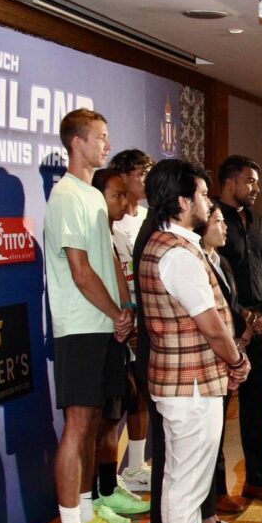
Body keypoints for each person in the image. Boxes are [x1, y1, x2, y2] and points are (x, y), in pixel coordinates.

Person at [140, 159, 249, 523]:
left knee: (179, 483)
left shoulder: (166, 244)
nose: (208, 201)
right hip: (192, 386)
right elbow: (211, 326)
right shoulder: (179, 255)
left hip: (182, 383)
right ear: (183, 202)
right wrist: (237, 360)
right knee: (187, 487)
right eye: (203, 195)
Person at [44, 109, 134, 523]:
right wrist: (116, 313)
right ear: (77, 143)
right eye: (100, 137)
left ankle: (85, 513)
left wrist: (125, 310)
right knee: (77, 426)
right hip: (80, 326)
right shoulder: (65, 196)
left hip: (104, 326)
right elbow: (80, 272)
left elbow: (108, 261)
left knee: (96, 422)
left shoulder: (94, 196)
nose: (107, 145)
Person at [217, 155, 262, 505]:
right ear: (230, 182)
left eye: (257, 181)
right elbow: (212, 276)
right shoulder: (211, 220)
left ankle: (258, 481)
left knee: (257, 406)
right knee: (218, 411)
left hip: (261, 326)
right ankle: (216, 491)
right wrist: (242, 314)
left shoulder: (260, 222)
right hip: (223, 325)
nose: (256, 187)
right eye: (250, 180)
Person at [88, 169, 150, 520]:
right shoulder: (91, 236)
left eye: (126, 195)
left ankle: (108, 489)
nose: (125, 203)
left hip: (120, 338)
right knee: (97, 422)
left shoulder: (112, 237)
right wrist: (118, 315)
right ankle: (94, 498)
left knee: (114, 415)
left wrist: (127, 315)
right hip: (99, 337)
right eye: (117, 195)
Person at [197, 203, 252, 523]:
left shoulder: (222, 261)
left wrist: (245, 332)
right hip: (209, 361)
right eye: (217, 221)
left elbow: (230, 306)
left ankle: (210, 510)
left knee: (217, 433)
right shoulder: (196, 262)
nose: (224, 227)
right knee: (206, 442)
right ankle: (208, 508)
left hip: (229, 352)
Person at [109, 149, 155, 493]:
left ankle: (136, 465)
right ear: (122, 176)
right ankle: (108, 478)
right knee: (118, 398)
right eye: (140, 174)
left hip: (150, 316)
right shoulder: (109, 219)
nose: (146, 181)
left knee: (144, 394)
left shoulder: (151, 217)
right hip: (120, 319)